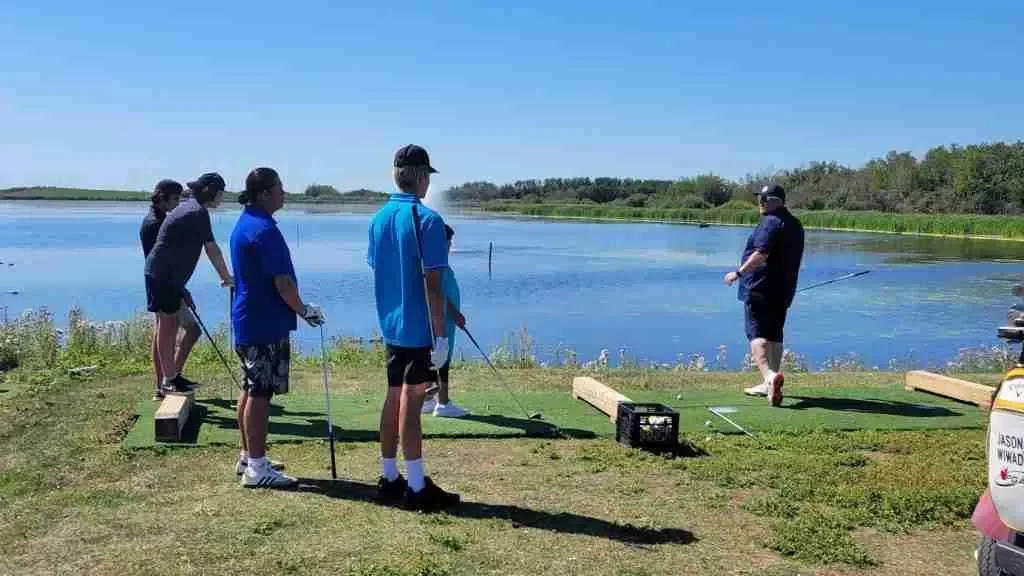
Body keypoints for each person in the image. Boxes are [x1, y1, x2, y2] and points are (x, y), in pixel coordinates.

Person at [367, 144, 460, 511]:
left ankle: (390, 476)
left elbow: (381, 270)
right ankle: (418, 487)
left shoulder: (378, 219)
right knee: (412, 399)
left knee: (393, 396)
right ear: (421, 177)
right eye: (427, 177)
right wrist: (441, 336)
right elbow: (433, 286)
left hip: (390, 325)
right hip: (419, 328)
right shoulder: (428, 220)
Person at [231, 167, 323, 488]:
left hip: (251, 319)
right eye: (279, 187)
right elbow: (282, 283)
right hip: (263, 322)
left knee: (250, 388)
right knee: (260, 392)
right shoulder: (264, 230)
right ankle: (257, 469)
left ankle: (249, 457)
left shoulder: (247, 223)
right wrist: (304, 310)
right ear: (263, 194)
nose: (284, 192)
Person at [144, 173, 234, 396]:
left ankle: (170, 377)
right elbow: (211, 248)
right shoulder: (197, 212)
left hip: (165, 276)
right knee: (167, 326)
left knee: (168, 325)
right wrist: (226, 276)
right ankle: (169, 380)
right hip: (163, 275)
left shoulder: (190, 207)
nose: (222, 198)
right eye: (220, 193)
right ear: (211, 192)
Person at [724, 183, 804, 406]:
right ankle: (770, 381)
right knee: (775, 334)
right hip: (783, 289)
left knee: (756, 333)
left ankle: (769, 376)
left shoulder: (770, 222)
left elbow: (761, 254)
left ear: (775, 201)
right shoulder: (795, 223)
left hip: (760, 286)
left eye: (764, 199)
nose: (760, 202)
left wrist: (738, 273)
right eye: (760, 198)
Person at [140, 179, 201, 400]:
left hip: (169, 283)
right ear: (162, 197)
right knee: (166, 331)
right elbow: (161, 261)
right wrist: (181, 289)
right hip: (164, 284)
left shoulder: (161, 219)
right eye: (175, 199)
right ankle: (165, 382)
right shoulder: (154, 223)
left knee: (180, 330)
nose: (177, 204)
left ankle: (170, 378)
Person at [423, 224, 470, 418]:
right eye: (448, 242)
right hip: (443, 319)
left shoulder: (436, 262)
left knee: (434, 358)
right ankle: (443, 403)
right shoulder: (437, 265)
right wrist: (455, 314)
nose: (451, 246)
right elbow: (438, 294)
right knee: (443, 358)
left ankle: (427, 400)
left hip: (444, 319)